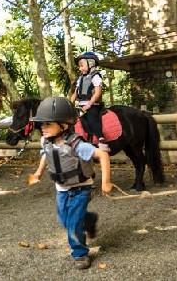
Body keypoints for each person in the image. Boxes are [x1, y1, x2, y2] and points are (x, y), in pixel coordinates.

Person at [28, 96, 111, 270]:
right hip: (62, 189)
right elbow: (46, 155)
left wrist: (106, 182)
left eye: (47, 124)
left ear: (64, 125)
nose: (42, 128)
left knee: (73, 224)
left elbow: (102, 155)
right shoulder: (47, 142)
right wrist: (38, 172)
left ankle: (80, 253)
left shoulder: (76, 144)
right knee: (64, 221)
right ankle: (89, 219)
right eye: (41, 124)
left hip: (80, 189)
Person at [69, 51, 109, 152]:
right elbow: (75, 94)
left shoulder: (95, 76)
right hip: (81, 105)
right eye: (79, 66)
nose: (80, 68)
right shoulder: (80, 78)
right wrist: (68, 104)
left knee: (92, 119)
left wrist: (89, 104)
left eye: (82, 65)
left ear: (90, 63)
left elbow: (97, 93)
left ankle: (101, 140)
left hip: (93, 105)